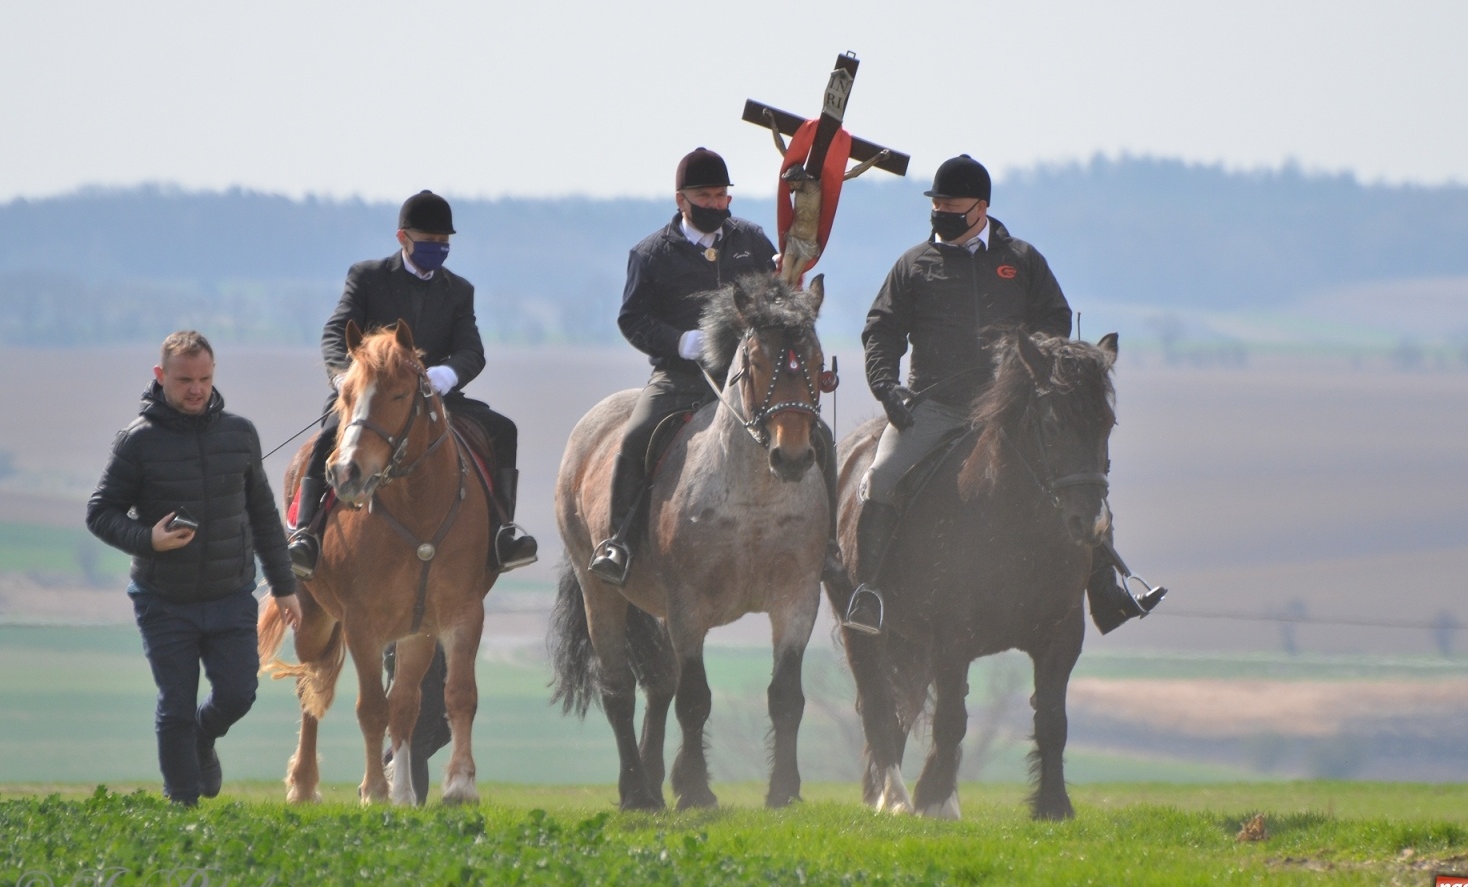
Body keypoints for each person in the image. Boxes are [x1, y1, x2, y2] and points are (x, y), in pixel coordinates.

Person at [845, 153, 1166, 635]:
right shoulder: (913, 265)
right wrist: (886, 388)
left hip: (1010, 409)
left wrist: (1027, 370)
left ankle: (1106, 589)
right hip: (931, 405)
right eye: (937, 203)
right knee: (882, 478)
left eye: (951, 204)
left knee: (1079, 473)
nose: (940, 211)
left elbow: (1055, 320)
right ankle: (868, 594)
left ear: (980, 208)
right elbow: (881, 331)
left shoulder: (1022, 260)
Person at [86, 331, 303, 806]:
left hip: (231, 594)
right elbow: (99, 512)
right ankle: (180, 806)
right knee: (176, 705)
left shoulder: (240, 434)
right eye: (185, 380)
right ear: (161, 377)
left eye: (204, 378)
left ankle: (203, 740)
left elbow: (265, 516)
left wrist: (284, 587)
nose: (196, 389)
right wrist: (149, 540)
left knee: (239, 694)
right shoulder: (136, 441)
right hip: (163, 599)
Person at [589, 147, 817, 584]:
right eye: (706, 196)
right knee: (635, 438)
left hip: (750, 379)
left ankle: (826, 547)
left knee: (815, 433)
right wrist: (679, 342)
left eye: (721, 196)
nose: (715, 204)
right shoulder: (650, 254)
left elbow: (776, 303)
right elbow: (631, 319)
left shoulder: (751, 241)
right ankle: (618, 541)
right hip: (679, 377)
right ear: (681, 200)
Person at [285, 189, 538, 578]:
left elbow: (472, 349)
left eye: (443, 243)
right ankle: (306, 532)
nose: (437, 249)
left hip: (433, 396)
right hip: (372, 397)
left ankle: (502, 531)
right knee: (329, 437)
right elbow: (336, 333)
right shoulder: (367, 277)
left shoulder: (459, 290)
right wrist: (344, 377)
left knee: (504, 430)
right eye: (428, 242)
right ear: (403, 238)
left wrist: (448, 374)